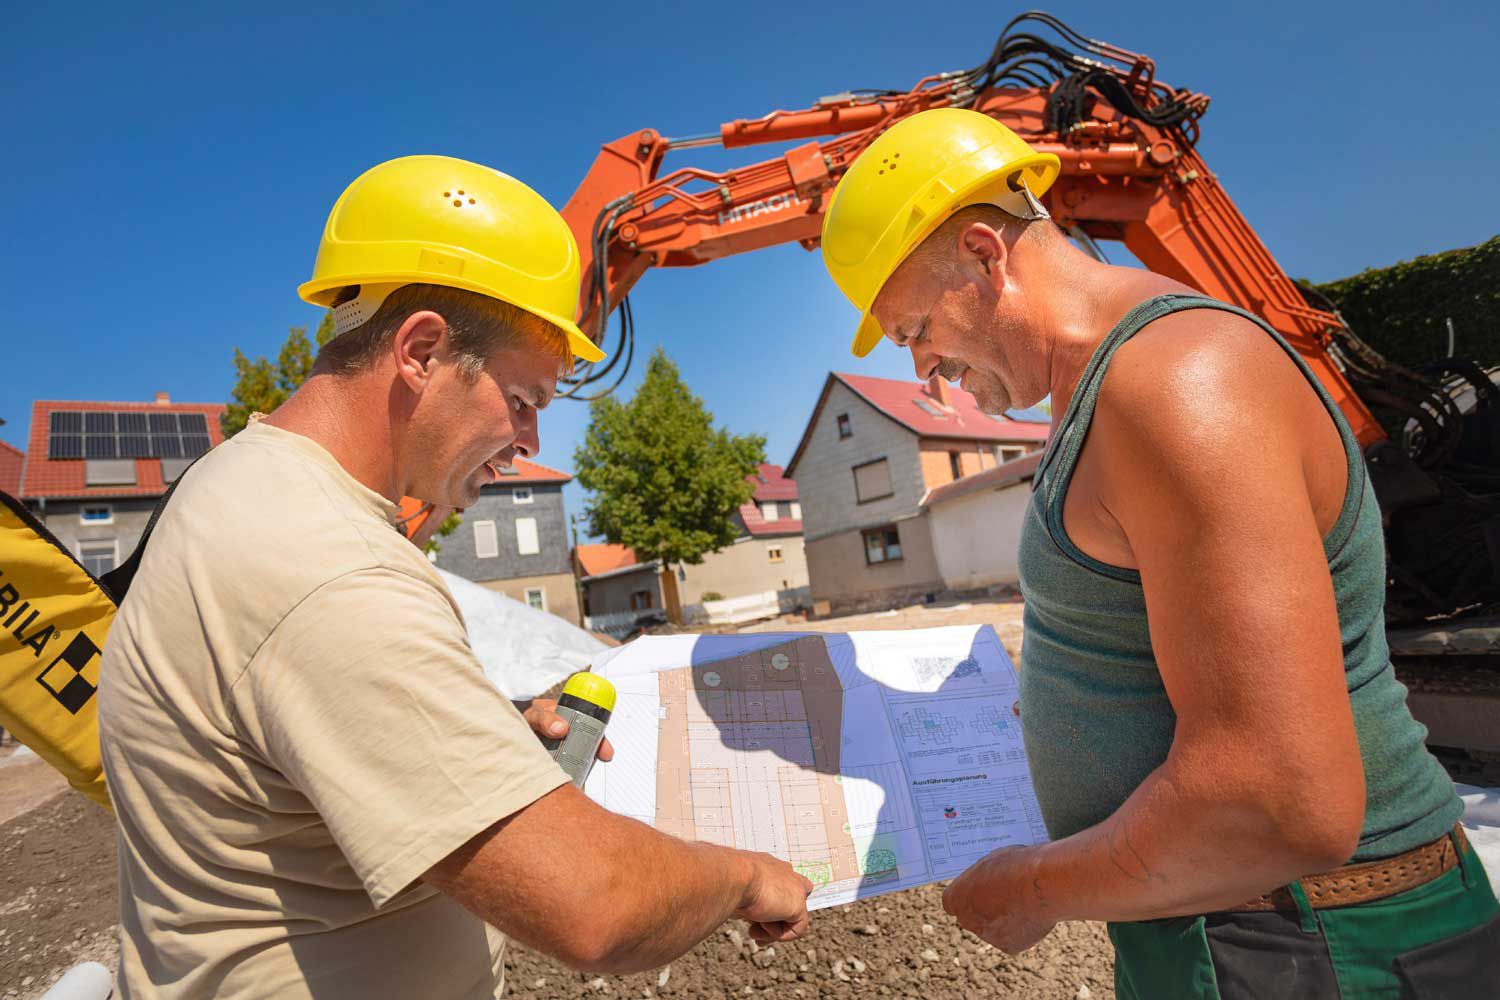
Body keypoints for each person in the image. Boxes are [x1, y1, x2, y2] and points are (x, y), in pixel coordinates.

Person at [819, 109, 1499, 997]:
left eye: (913, 330)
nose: (925, 371)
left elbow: (1276, 798)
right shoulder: (1114, 391)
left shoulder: (1176, 383)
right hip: (1262, 925)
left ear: (985, 258)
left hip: (1323, 939)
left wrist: (1036, 886)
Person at [98, 155, 811, 1000]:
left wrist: (483, 733)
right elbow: (594, 906)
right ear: (423, 352)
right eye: (523, 400)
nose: (532, 445)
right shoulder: (328, 567)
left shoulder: (244, 487)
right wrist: (742, 877)